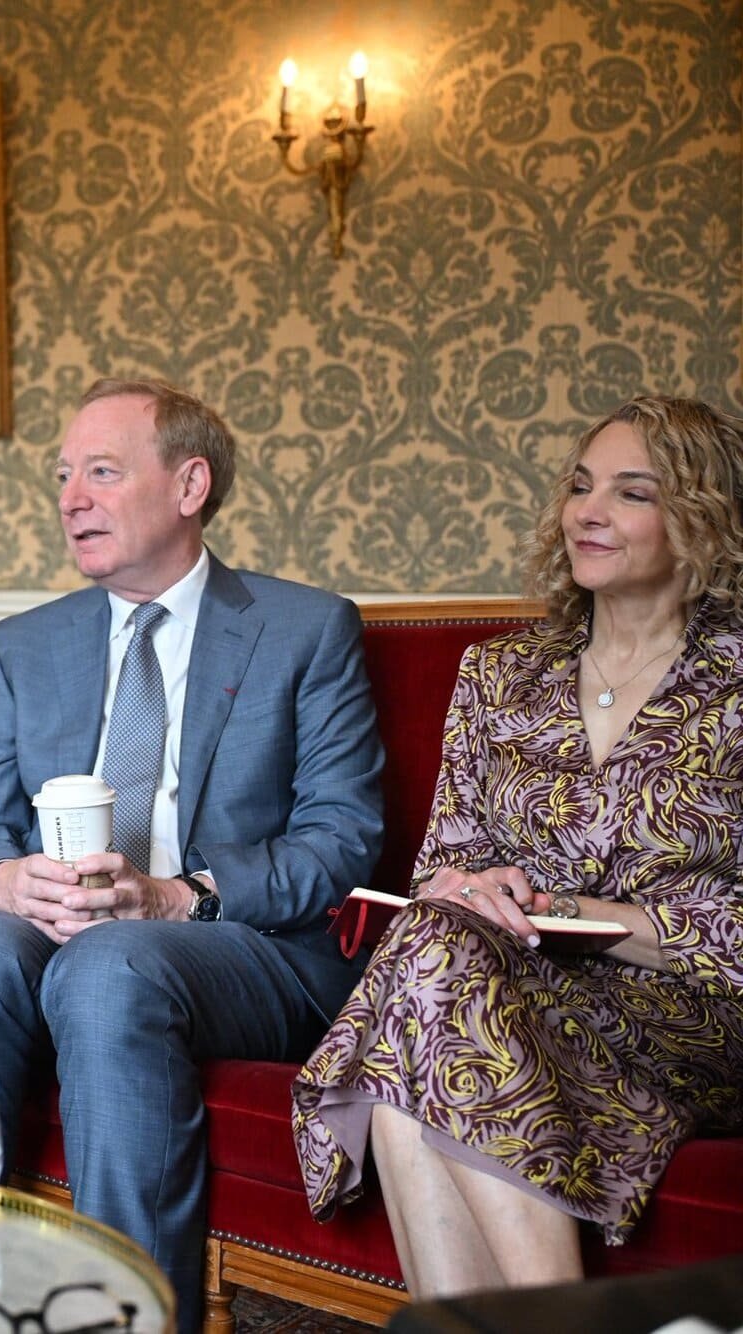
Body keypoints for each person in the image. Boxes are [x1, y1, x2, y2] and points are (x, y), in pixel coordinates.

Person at [0, 377, 385, 1332]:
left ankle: (125, 1315)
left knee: (111, 965)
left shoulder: (306, 630)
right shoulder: (23, 645)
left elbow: (341, 841)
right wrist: (1, 879)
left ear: (190, 484)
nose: (71, 497)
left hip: (246, 943)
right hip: (62, 923)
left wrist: (174, 897)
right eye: (64, 475)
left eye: (104, 472)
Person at [292, 395, 743, 1297]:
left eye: (631, 492)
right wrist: (472, 886)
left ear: (700, 518)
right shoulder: (501, 672)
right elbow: (438, 873)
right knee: (433, 958)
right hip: (506, 988)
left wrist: (579, 913)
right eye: (580, 486)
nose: (588, 511)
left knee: (412, 1037)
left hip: (686, 1013)